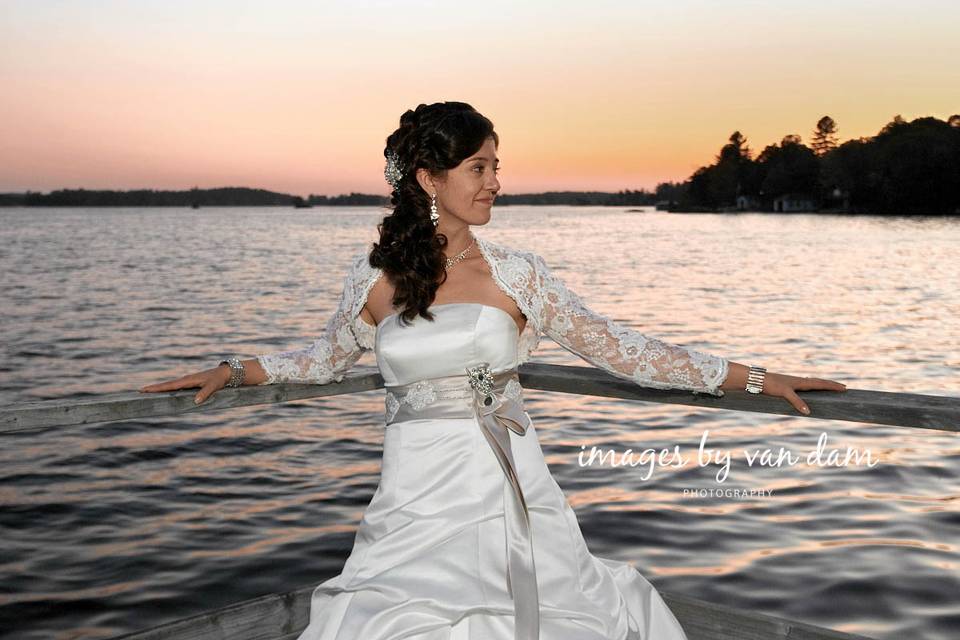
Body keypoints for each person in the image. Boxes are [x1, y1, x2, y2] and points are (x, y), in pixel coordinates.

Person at [140, 101, 847, 639]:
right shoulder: (375, 277)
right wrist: (235, 371)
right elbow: (322, 361)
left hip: (503, 484)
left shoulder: (519, 275)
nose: (496, 183)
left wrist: (754, 378)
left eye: (496, 167)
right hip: (413, 496)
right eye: (480, 168)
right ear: (429, 178)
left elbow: (625, 350)